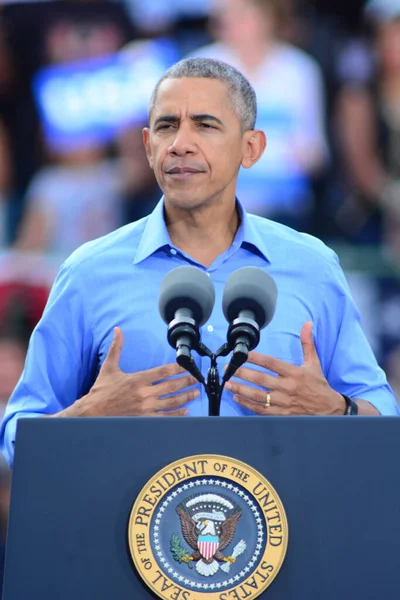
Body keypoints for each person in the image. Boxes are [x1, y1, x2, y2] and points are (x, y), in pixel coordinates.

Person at [1, 57, 398, 468]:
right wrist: (86, 417)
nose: (180, 143)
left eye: (205, 125)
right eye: (166, 126)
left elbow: (384, 418)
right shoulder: (88, 272)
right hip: (123, 530)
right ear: (147, 145)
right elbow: (18, 438)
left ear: (251, 148)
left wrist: (336, 409)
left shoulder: (312, 266)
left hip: (291, 529)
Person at [189, 0, 327, 231]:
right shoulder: (197, 68)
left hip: (284, 214)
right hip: (213, 213)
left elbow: (315, 153)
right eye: (225, 14)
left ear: (268, 15)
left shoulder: (299, 71)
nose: (232, 22)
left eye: (242, 13)